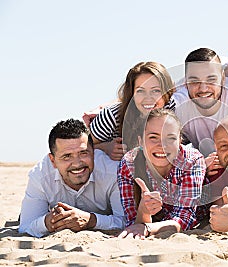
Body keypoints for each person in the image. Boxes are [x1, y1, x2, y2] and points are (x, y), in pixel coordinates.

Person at [19, 119, 125, 238]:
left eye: (83, 153)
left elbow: (126, 221)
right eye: (67, 156)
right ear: (53, 161)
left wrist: (91, 220)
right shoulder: (40, 175)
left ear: (94, 152)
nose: (76, 163)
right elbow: (25, 227)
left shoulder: (113, 172)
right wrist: (48, 222)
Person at [117, 108, 207, 238]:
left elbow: (184, 219)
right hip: (155, 225)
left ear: (180, 140)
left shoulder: (191, 161)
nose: (162, 145)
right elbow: (132, 221)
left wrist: (147, 228)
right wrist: (144, 211)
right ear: (140, 141)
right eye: (153, 137)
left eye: (170, 138)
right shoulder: (129, 164)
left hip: (200, 216)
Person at [87, 61, 175, 161]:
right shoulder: (112, 115)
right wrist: (105, 148)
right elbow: (81, 147)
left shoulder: (172, 108)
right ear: (131, 94)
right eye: (140, 91)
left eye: (156, 91)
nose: (148, 98)